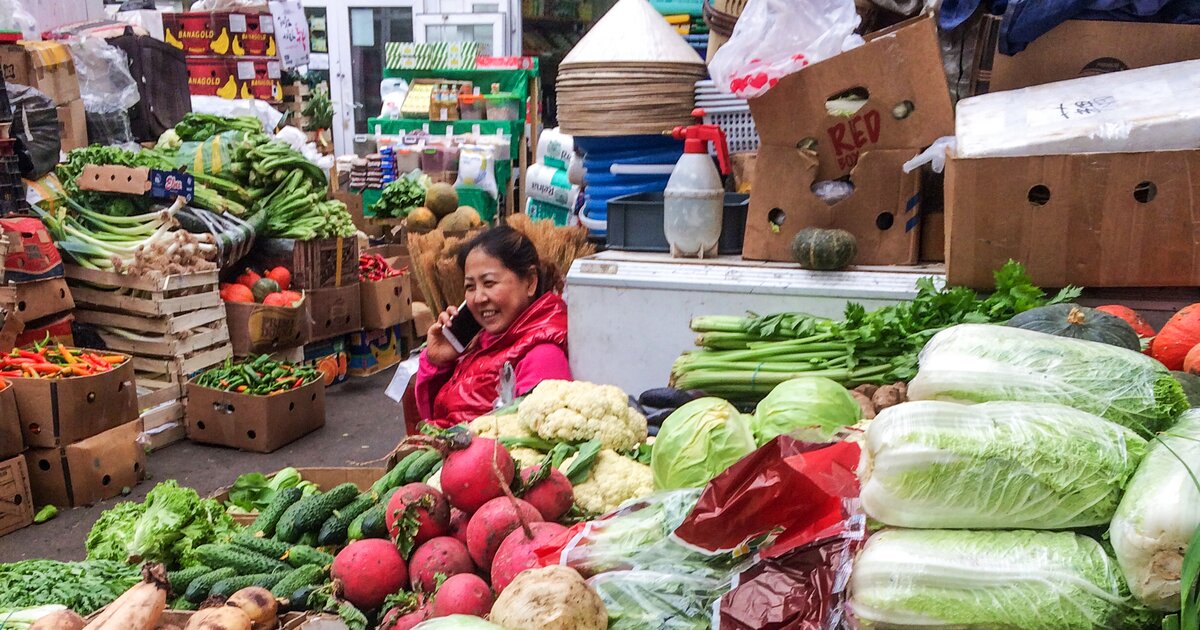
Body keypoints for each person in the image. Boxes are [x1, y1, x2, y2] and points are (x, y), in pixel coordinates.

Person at [414, 225, 571, 427]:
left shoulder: (543, 357)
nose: (478, 298)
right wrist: (437, 362)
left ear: (530, 282)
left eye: (489, 283)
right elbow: (436, 418)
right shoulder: (483, 341)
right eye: (470, 286)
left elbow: (529, 449)